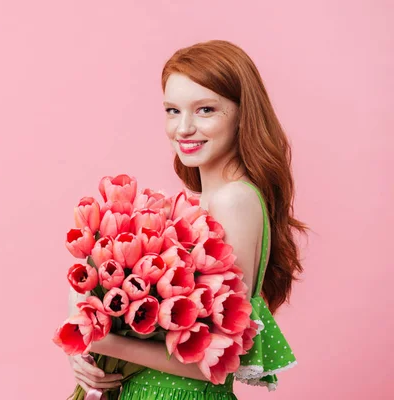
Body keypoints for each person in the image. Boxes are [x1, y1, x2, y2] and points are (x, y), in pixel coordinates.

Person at [67, 39, 307, 399]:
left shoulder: (233, 199)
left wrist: (101, 339)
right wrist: (88, 351)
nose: (183, 129)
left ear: (244, 114)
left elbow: (214, 355)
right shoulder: (199, 203)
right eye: (172, 110)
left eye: (206, 109)